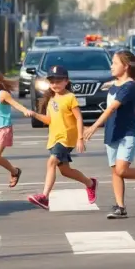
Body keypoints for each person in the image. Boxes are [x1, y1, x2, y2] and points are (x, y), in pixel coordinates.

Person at [84, 50, 135, 219]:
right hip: (112, 132)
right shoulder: (117, 84)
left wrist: (94, 126)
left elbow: (112, 108)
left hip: (127, 134)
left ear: (126, 66)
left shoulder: (129, 86)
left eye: (114, 63)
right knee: (115, 171)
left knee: (121, 170)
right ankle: (120, 207)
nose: (111, 66)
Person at [27, 65, 98, 210]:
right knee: (65, 171)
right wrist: (35, 114)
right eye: (52, 82)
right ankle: (90, 183)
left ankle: (45, 197)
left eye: (58, 81)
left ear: (66, 81)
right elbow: (49, 120)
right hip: (54, 138)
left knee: (51, 162)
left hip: (66, 138)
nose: (55, 84)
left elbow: (79, 118)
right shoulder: (52, 98)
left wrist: (80, 138)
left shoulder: (70, 97)